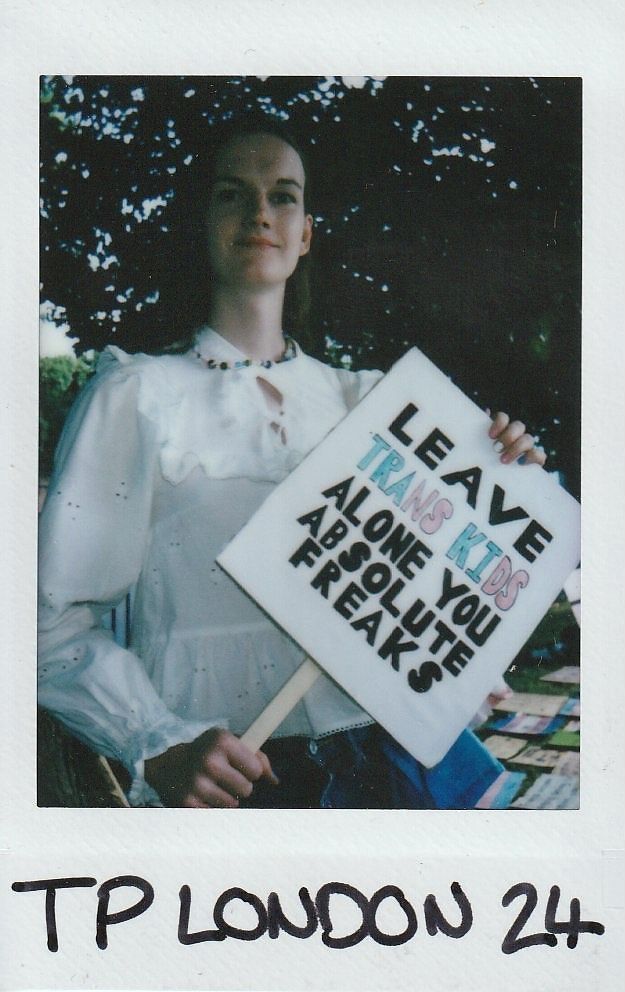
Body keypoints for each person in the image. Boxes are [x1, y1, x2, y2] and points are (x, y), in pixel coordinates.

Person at [38, 117, 546, 809]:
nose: (258, 214)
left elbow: (451, 587)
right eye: (230, 194)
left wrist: (508, 475)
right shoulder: (137, 396)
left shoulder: (372, 402)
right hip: (239, 785)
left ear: (306, 232)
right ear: (198, 221)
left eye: (283, 196)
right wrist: (155, 740)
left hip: (405, 774)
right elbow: (49, 624)